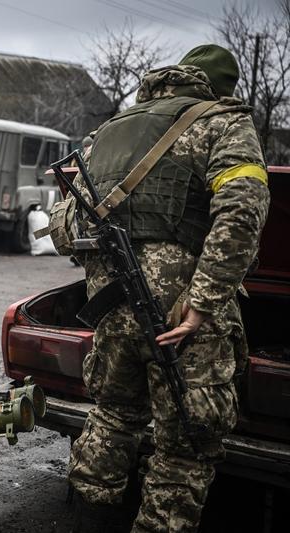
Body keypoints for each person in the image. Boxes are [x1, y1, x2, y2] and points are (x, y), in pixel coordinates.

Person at [65, 45, 270, 532]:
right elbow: (242, 213)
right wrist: (202, 301)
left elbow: (64, 226)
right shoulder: (225, 122)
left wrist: (99, 264)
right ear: (223, 88)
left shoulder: (109, 131)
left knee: (112, 420)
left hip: (110, 307)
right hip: (182, 323)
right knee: (185, 450)